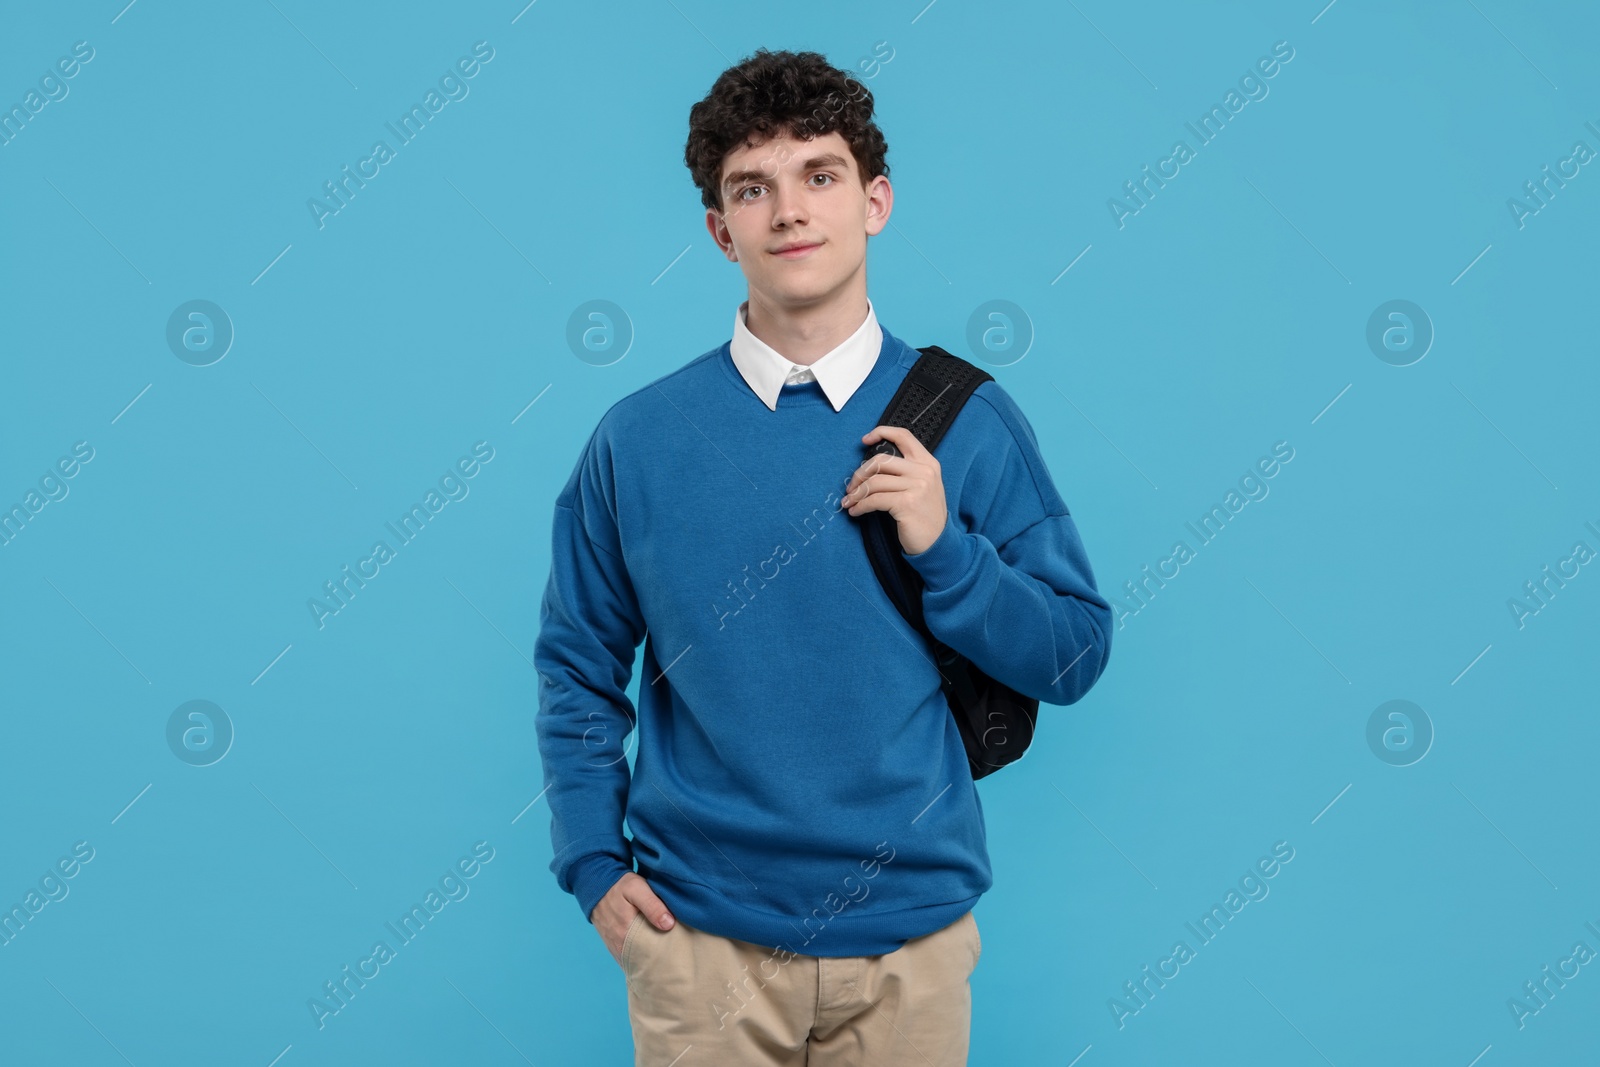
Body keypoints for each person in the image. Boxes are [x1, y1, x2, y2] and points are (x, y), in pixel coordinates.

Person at [533, 47, 1113, 1065]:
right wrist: (589, 860)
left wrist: (947, 550)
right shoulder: (638, 438)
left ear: (874, 201)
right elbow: (577, 665)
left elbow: (1072, 654)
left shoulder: (968, 422)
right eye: (751, 189)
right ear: (720, 230)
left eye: (820, 175)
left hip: (911, 945)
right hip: (699, 944)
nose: (789, 210)